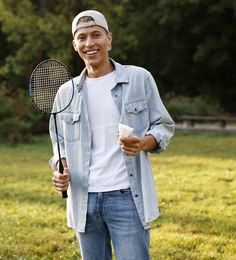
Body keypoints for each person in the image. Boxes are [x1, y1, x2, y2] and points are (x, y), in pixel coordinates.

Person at [49, 10, 175, 259]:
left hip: (127, 196)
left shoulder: (139, 78)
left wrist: (143, 143)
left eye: (96, 35)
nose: (89, 43)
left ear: (109, 38)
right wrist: (61, 169)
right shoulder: (66, 92)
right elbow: (59, 142)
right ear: (75, 45)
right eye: (82, 37)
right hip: (84, 199)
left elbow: (163, 126)